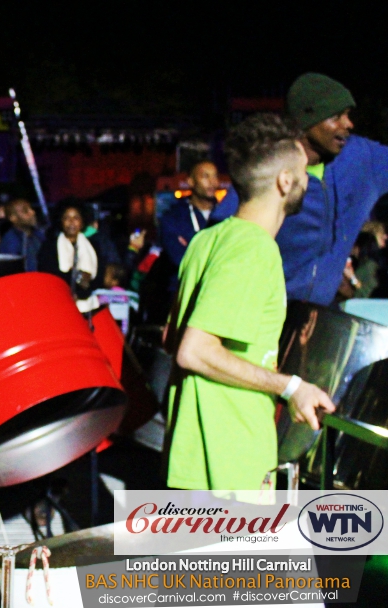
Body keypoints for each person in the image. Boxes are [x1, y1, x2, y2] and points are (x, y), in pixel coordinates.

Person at [165, 113, 334, 492]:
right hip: (228, 466)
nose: (308, 180)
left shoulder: (207, 240)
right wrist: (291, 387)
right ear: (284, 181)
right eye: (305, 171)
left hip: (195, 459)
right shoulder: (254, 249)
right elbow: (193, 350)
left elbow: (170, 337)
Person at [210, 73, 388, 306]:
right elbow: (220, 238)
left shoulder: (361, 159)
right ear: (306, 121)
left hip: (321, 321)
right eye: (336, 116)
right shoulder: (270, 167)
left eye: (347, 115)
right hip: (266, 318)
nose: (348, 124)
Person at [38, 200, 99, 311]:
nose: (71, 222)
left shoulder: (93, 246)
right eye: (67, 218)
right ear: (60, 221)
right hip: (57, 303)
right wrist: (78, 277)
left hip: (86, 306)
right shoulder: (49, 246)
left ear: (82, 222)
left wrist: (81, 293)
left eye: (76, 218)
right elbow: (48, 275)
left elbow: (97, 277)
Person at [159, 161, 221, 270]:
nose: (212, 182)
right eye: (205, 176)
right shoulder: (174, 218)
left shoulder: (227, 215)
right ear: (191, 182)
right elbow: (179, 258)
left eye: (215, 176)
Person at [0, 198, 44, 271]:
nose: (32, 212)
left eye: (31, 209)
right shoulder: (10, 241)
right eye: (25, 211)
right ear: (13, 218)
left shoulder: (39, 235)